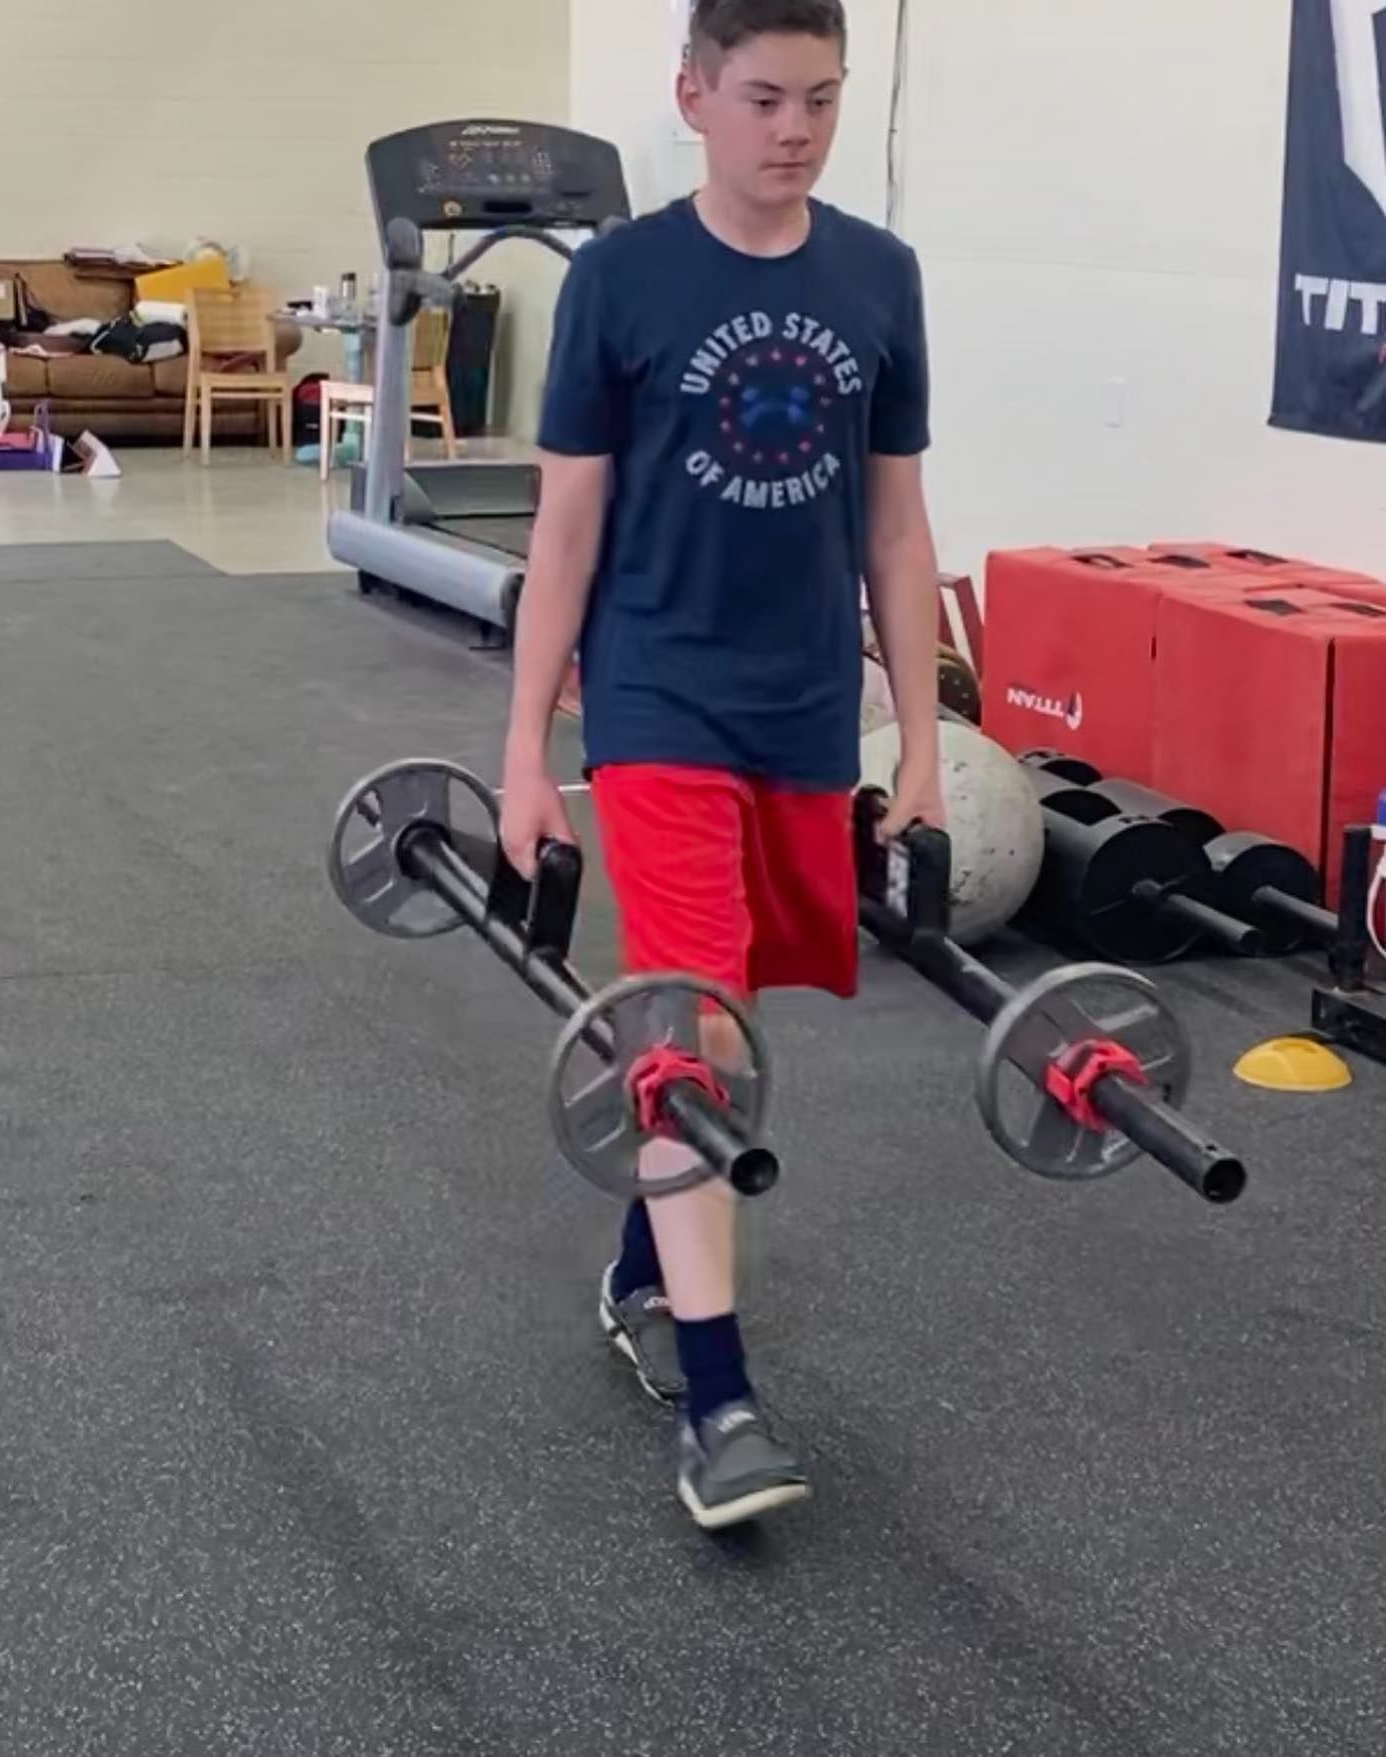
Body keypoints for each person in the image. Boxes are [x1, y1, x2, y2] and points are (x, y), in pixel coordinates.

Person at [500, 0, 942, 1531]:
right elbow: (563, 529)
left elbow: (893, 522)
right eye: (763, 98)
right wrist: (526, 756)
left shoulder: (879, 276)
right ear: (691, 96)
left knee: (732, 1026)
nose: (796, 129)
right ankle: (720, 1397)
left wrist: (926, 745)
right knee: (687, 1029)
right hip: (657, 697)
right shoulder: (621, 280)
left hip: (807, 706)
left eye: (821, 98)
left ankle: (636, 1272)